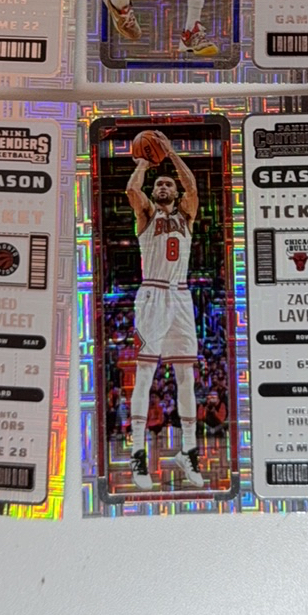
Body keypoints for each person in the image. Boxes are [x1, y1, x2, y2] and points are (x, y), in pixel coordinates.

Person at [124, 131, 206, 489]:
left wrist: (171, 153)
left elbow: (192, 186)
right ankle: (137, 454)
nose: (163, 186)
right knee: (145, 374)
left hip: (181, 296)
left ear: (175, 192)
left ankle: (188, 451)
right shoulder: (145, 215)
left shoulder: (187, 214)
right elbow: (132, 190)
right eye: (158, 184)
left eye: (168, 184)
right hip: (153, 295)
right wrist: (144, 162)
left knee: (186, 375)